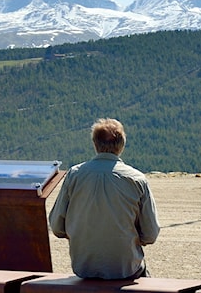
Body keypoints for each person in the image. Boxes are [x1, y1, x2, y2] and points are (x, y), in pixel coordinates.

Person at [47, 118, 161, 279]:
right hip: (126, 270)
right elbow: (150, 234)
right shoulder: (137, 179)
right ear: (122, 145)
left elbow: (57, 226)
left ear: (95, 144)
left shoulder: (74, 175)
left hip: (83, 268)